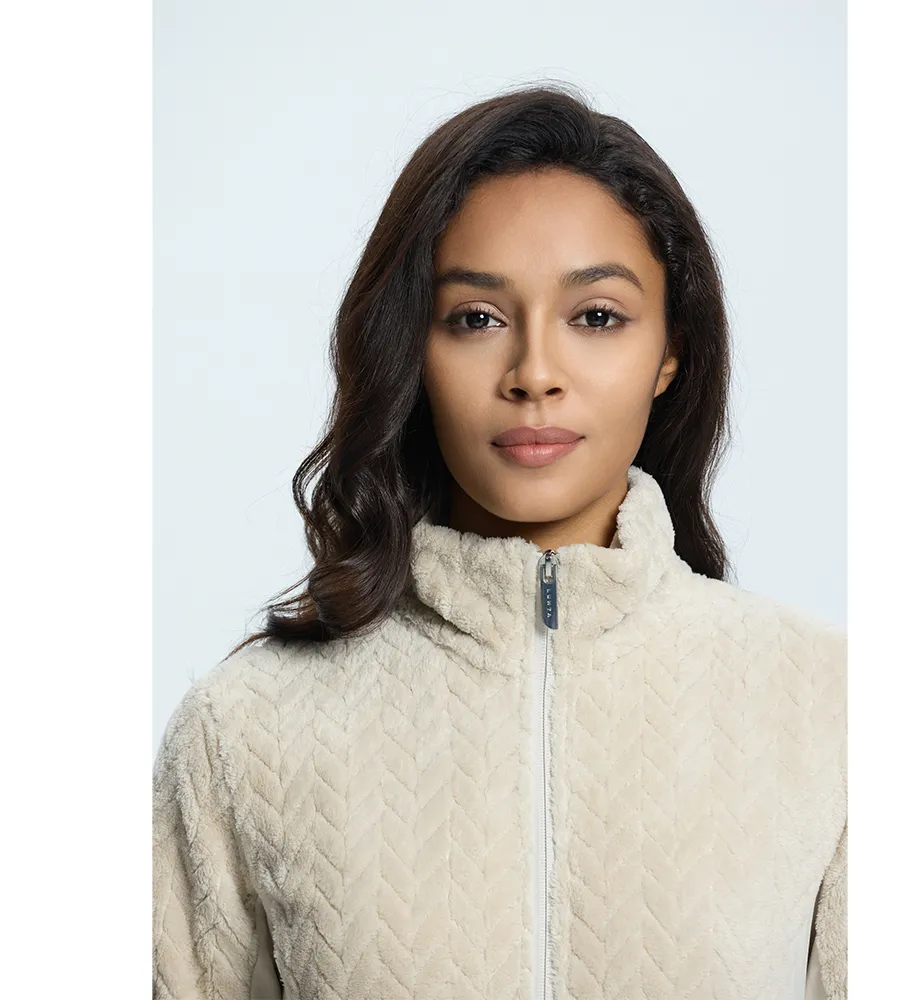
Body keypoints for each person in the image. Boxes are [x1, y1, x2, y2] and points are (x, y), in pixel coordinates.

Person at [152, 83, 846, 1000]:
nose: (535, 374)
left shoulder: (827, 704)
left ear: (670, 351)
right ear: (411, 347)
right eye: (476, 318)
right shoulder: (244, 730)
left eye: (596, 316)